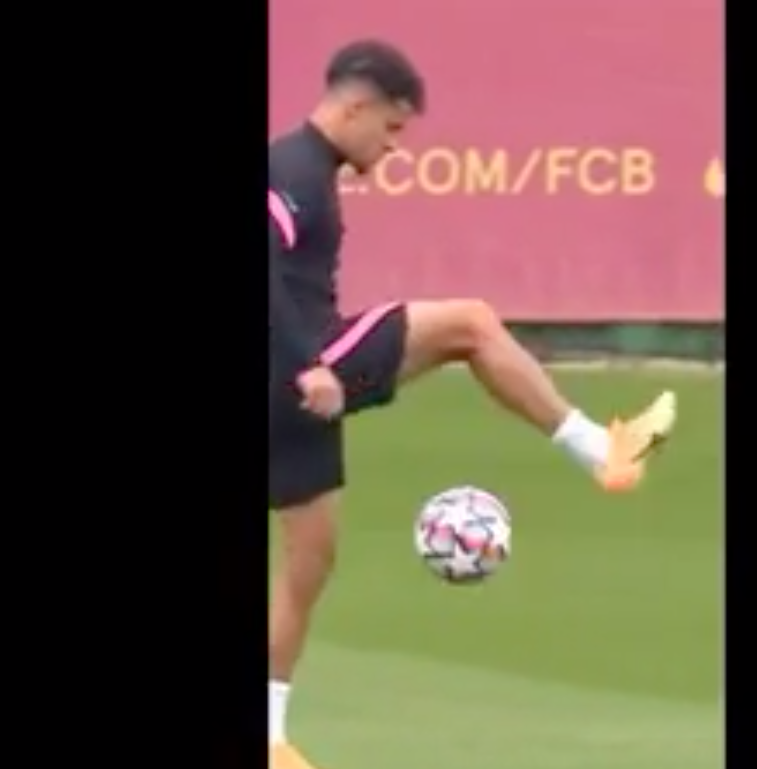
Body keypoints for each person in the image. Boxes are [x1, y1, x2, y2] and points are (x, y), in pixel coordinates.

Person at [267, 39, 677, 769]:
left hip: (294, 388)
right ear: (354, 107)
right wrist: (306, 361)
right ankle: (601, 451)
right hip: (297, 366)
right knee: (471, 324)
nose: (394, 147)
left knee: (311, 558)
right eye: (392, 128)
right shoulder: (291, 168)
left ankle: (269, 737)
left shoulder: (312, 172)